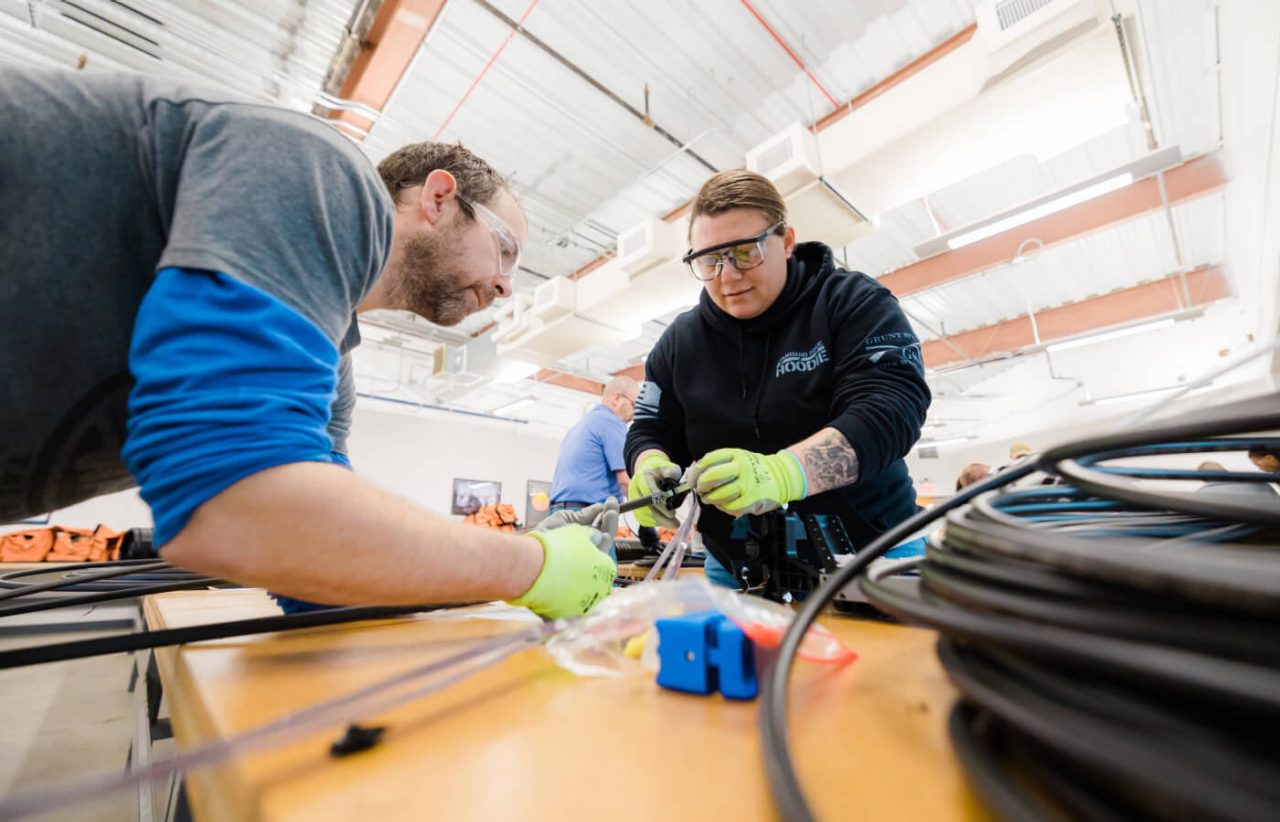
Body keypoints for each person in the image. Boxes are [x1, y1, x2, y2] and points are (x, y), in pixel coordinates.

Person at [0, 68, 615, 619]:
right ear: (437, 197)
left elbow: (308, 563)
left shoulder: (329, 368)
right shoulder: (321, 170)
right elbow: (237, 506)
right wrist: (530, 566)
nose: (508, 284)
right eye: (505, 249)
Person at [624, 170, 930, 589]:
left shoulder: (853, 303)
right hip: (734, 567)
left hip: (874, 554)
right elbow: (649, 428)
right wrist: (650, 465)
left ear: (786, 241)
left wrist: (784, 473)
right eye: (709, 260)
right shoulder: (678, 344)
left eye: (745, 252)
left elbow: (892, 409)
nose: (727, 276)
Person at [547, 376, 658, 560]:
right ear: (617, 399)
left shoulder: (580, 426)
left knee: (569, 581)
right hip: (588, 518)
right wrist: (646, 522)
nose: (634, 414)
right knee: (603, 579)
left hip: (559, 516)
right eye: (633, 405)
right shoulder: (611, 423)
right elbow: (626, 480)